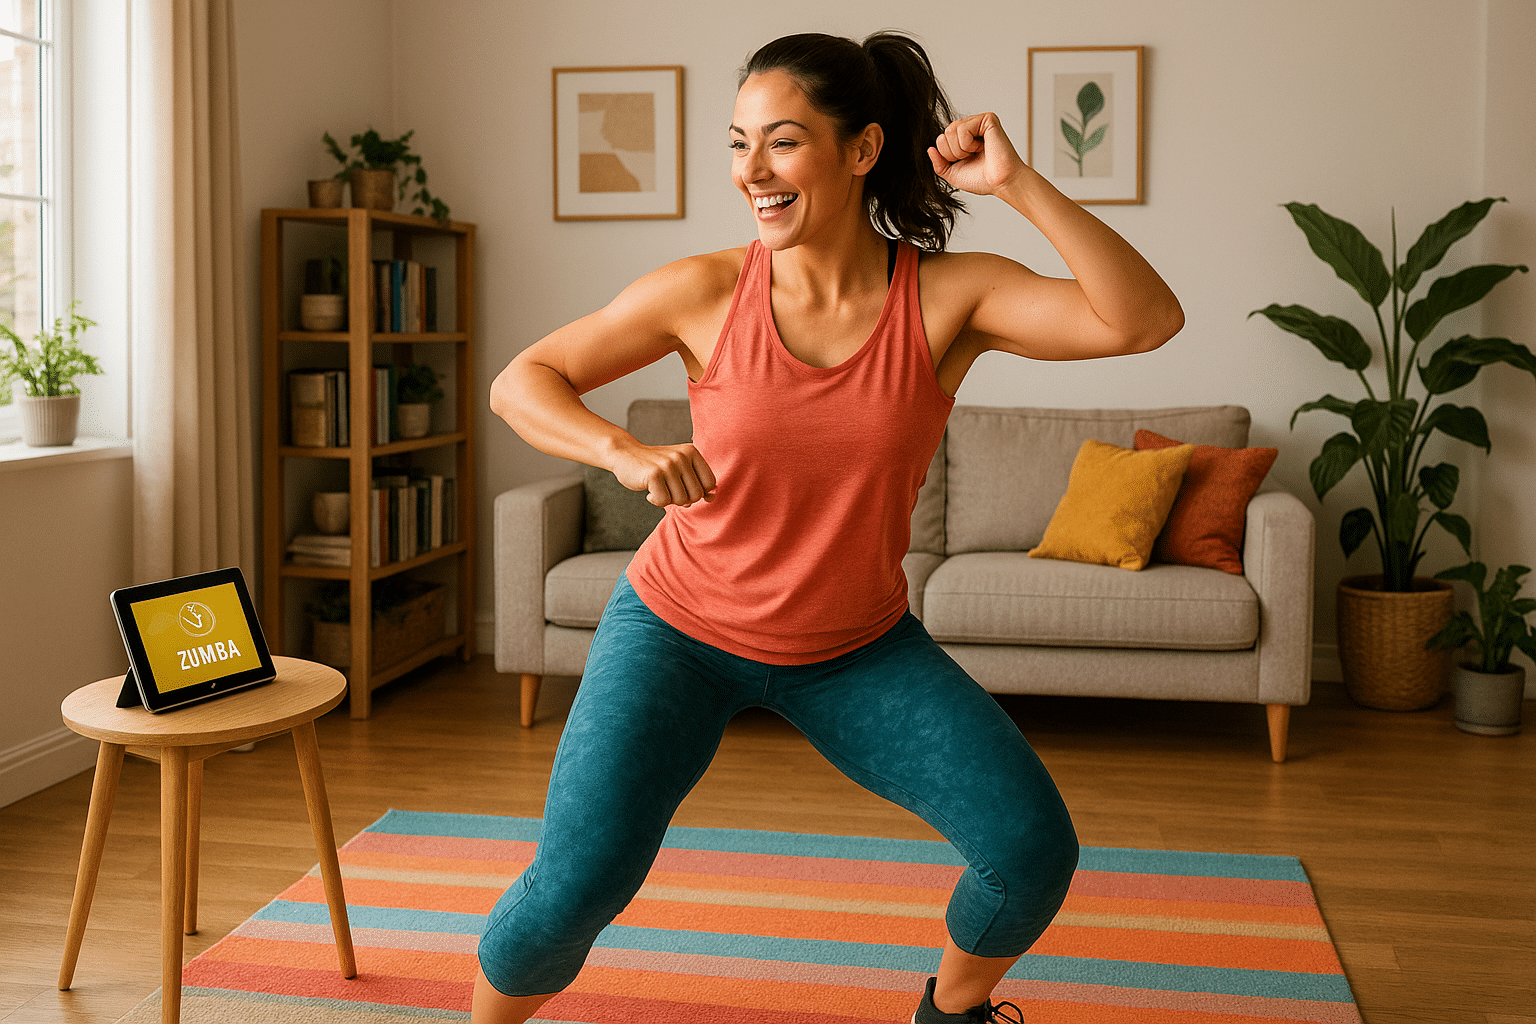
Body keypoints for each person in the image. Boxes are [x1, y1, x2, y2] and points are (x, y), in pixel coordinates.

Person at [480, 30, 1183, 1024]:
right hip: (676, 629)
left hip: (853, 648)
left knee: (1029, 849)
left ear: (860, 151)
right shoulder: (705, 291)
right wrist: (622, 453)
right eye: (738, 145)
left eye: (781, 143)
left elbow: (1143, 319)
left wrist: (1017, 183)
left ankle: (950, 1011)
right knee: (576, 888)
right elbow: (523, 381)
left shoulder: (946, 298)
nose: (751, 173)